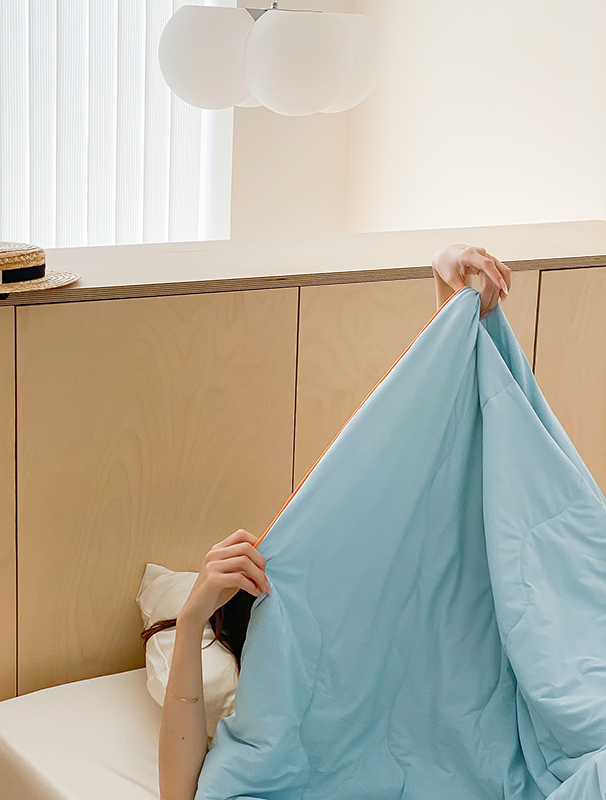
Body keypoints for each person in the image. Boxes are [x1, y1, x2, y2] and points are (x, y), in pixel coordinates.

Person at [144, 244, 512, 800]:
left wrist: (450, 296)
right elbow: (179, 792)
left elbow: (420, 479)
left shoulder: (378, 594)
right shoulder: (273, 689)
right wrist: (193, 618)